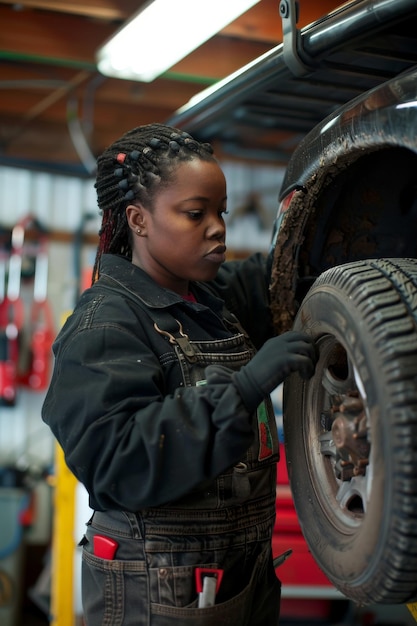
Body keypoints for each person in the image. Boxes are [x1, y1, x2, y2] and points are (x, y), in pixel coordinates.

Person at [42, 123, 316, 626]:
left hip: (238, 573)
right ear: (138, 220)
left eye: (221, 212)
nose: (217, 228)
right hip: (157, 588)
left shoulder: (209, 300)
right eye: (195, 214)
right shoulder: (105, 325)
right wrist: (245, 387)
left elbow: (281, 276)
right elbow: (120, 463)